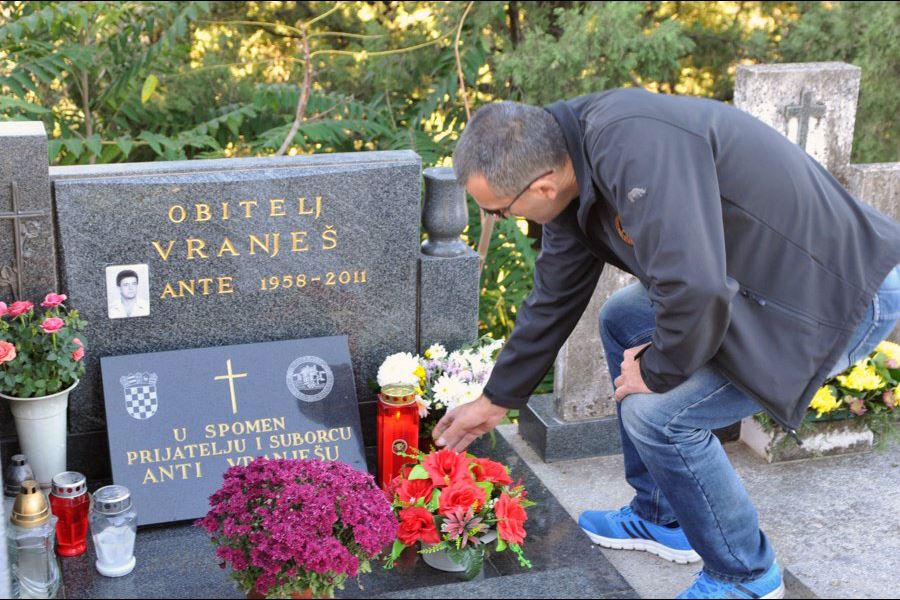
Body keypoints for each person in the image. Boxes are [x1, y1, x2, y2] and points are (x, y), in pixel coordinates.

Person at [433, 89, 900, 599]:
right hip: (760, 283)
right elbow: (554, 297)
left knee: (658, 417)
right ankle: (664, 516)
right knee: (621, 318)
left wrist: (656, 371)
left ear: (541, 186)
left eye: (499, 212)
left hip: (837, 296)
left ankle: (746, 574)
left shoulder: (636, 147)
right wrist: (496, 398)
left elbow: (696, 289)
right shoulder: (569, 160)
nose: (500, 220)